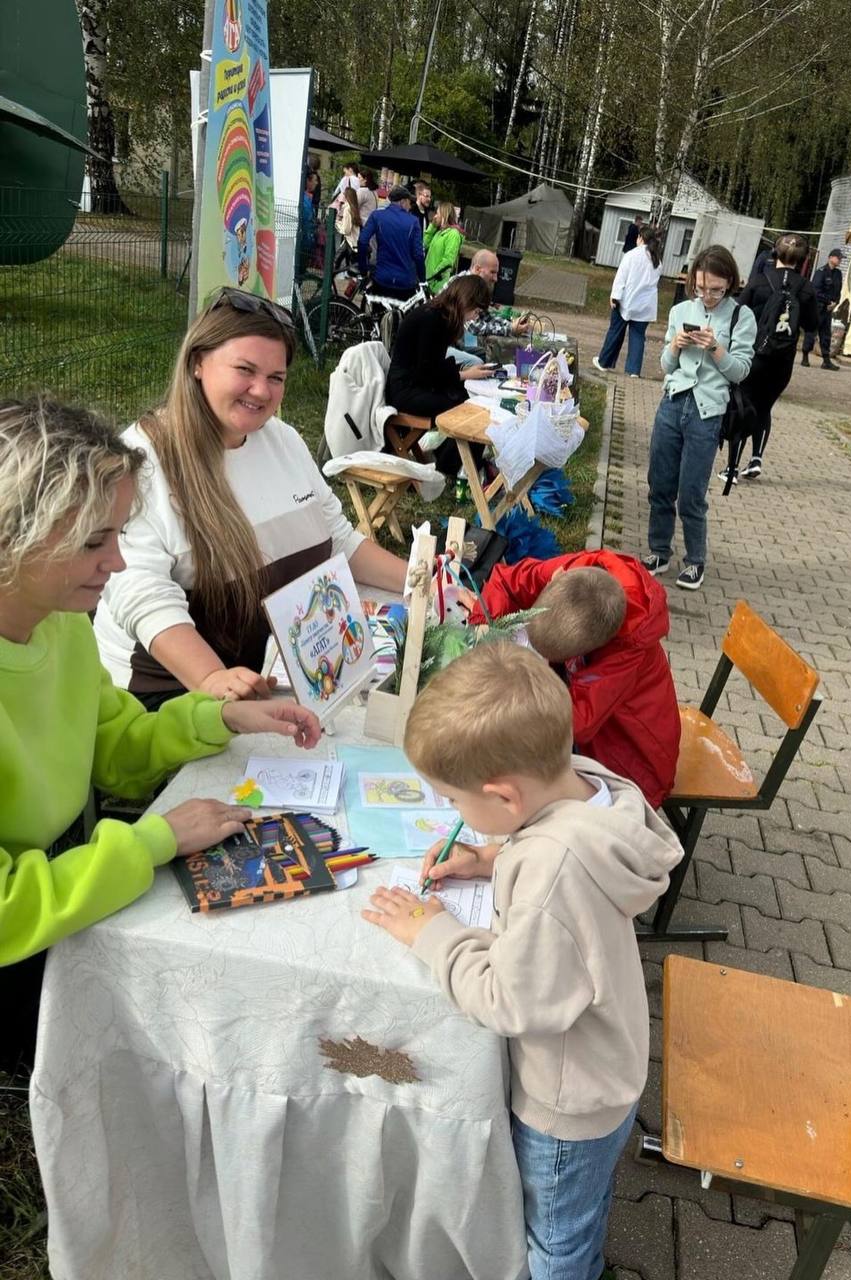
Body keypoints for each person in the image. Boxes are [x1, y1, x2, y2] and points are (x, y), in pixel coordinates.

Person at [0, 397, 322, 1070]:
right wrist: (155, 840)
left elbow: (114, 752)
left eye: (118, 534)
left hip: (68, 874)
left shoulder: (60, 623)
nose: (117, 563)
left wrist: (217, 714)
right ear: (13, 535)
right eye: (94, 541)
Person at [363, 642, 681, 1280]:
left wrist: (433, 932)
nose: (455, 816)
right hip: (609, 1066)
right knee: (583, 1212)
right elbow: (555, 858)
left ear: (504, 798)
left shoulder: (551, 872)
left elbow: (509, 1002)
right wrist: (490, 858)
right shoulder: (591, 789)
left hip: (567, 1102)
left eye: (453, 802)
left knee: (554, 1238)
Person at [93, 289, 407, 707]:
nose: (261, 391)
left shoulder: (285, 441)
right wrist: (214, 682)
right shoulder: (143, 460)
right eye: (245, 370)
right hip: (167, 702)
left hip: (269, 676)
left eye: (276, 378)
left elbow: (341, 542)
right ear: (197, 363)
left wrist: (424, 583)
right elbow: (144, 601)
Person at [470, 552, 679, 807]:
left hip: (629, 754)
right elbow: (505, 580)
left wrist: (520, 684)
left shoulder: (626, 651)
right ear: (555, 579)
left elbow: (576, 722)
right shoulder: (575, 575)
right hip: (592, 721)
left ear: (594, 650)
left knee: (535, 792)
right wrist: (484, 628)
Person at [643, 244, 756, 591]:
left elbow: (740, 371)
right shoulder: (680, 310)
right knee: (659, 483)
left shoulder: (741, 316)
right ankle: (659, 551)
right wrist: (675, 345)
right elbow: (664, 366)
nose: (707, 296)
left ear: (731, 284)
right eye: (701, 288)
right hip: (672, 404)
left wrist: (714, 348)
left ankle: (695, 561)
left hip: (707, 412)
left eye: (716, 290)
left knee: (691, 492)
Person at [726, 232, 819, 483]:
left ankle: (731, 468)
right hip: (784, 361)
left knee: (744, 405)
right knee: (765, 406)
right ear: (803, 260)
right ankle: (756, 457)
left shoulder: (759, 281)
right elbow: (812, 324)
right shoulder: (806, 288)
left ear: (774, 254)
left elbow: (737, 312)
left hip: (756, 354)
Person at [385, 274, 494, 474]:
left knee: (470, 402)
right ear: (465, 301)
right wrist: (464, 375)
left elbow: (432, 366)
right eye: (476, 311)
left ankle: (455, 463)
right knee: (466, 411)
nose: (475, 317)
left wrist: (464, 373)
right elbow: (426, 372)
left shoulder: (439, 316)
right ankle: (452, 467)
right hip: (406, 391)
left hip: (416, 384)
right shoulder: (432, 319)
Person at [592, 225, 662, 378]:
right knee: (637, 337)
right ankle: (633, 371)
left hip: (627, 301)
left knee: (615, 331)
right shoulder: (657, 261)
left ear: (641, 238)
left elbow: (621, 278)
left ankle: (605, 362)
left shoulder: (631, 255)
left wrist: (615, 296)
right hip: (645, 306)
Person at [357, 183, 425, 299]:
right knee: (403, 316)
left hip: (382, 278)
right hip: (405, 282)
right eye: (409, 202)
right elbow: (418, 254)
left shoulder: (377, 216)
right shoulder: (414, 222)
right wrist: (422, 279)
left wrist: (363, 269)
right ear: (402, 201)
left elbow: (362, 241)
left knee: (377, 315)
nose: (410, 206)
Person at [446, 249, 531, 341]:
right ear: (478, 269)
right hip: (448, 340)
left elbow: (486, 317)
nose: (495, 279)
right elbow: (473, 328)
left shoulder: (477, 287)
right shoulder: (463, 286)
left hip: (460, 335)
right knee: (480, 352)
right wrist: (510, 329)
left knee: (480, 348)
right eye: (492, 272)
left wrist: (511, 324)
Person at [800, 248, 843, 370]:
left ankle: (826, 360)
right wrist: (828, 301)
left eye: (840, 258)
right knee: (811, 332)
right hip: (818, 308)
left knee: (826, 335)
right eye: (838, 257)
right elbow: (815, 291)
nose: (839, 260)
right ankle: (805, 356)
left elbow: (838, 291)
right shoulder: (821, 272)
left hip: (829, 309)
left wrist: (835, 303)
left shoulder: (838, 274)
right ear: (830, 258)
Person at [423, 201, 465, 291]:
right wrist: (432, 227)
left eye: (437, 213)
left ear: (444, 215)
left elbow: (448, 261)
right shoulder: (438, 232)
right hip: (428, 282)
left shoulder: (453, 234)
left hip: (438, 285)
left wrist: (431, 276)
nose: (435, 216)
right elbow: (424, 244)